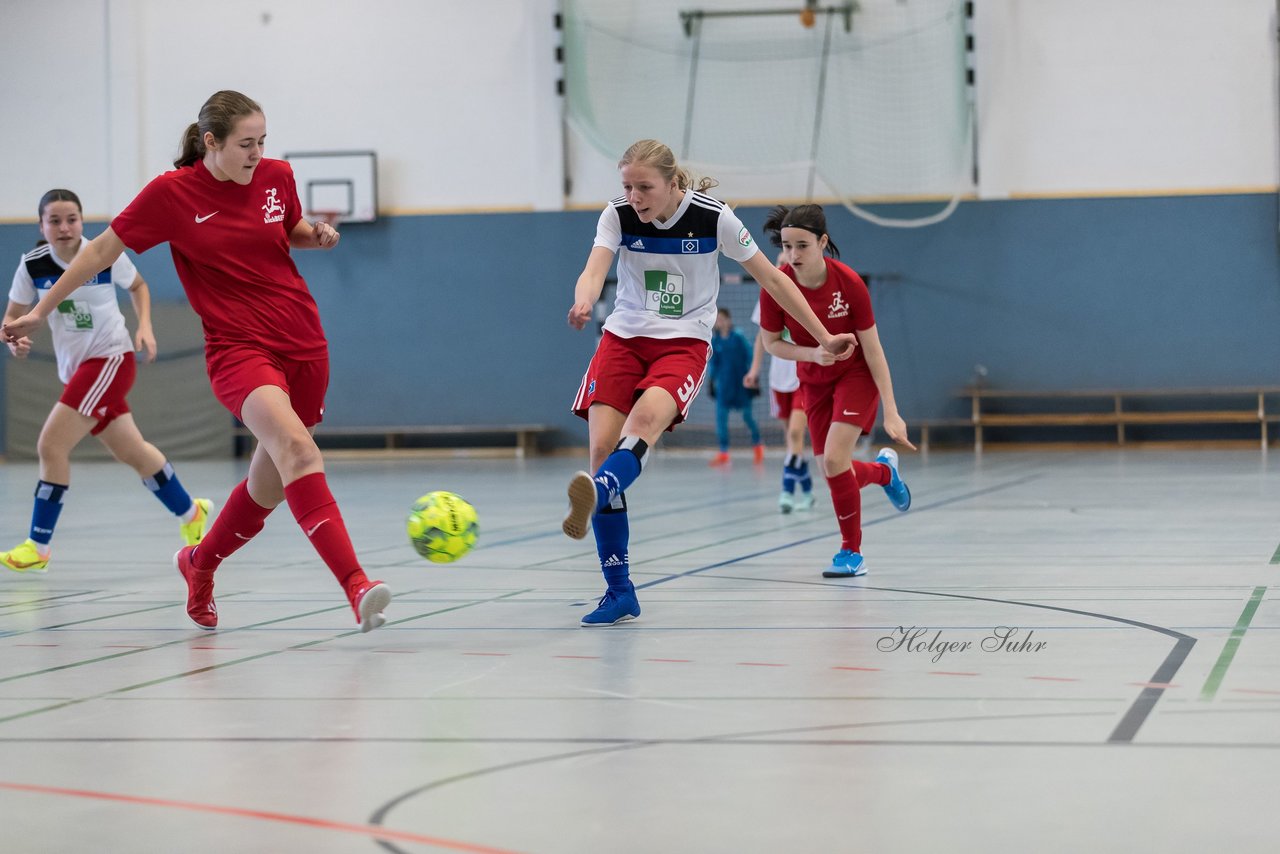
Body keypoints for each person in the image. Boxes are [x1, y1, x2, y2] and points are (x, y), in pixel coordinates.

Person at [2, 91, 390, 632]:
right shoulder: (172, 194)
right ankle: (357, 586)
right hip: (238, 350)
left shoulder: (277, 176)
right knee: (299, 451)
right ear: (211, 142)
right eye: (245, 143)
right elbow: (98, 253)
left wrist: (314, 236)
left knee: (269, 484)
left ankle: (199, 562)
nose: (257, 153)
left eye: (262, 142)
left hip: (303, 342)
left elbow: (288, 229)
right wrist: (39, 312)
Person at [563, 139, 858, 625]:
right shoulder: (617, 215)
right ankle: (620, 591)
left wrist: (824, 336)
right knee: (600, 453)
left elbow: (776, 280)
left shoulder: (714, 218)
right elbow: (593, 270)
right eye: (627, 186)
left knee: (643, 424)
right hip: (622, 338)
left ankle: (600, 490)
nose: (634, 196)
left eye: (645, 187)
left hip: (682, 344)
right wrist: (583, 300)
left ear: (673, 183)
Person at [1, 189, 212, 573]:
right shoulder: (32, 265)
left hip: (109, 359)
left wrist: (144, 327)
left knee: (50, 444)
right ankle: (190, 511)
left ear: (82, 221)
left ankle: (38, 545)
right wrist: (15, 340)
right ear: (41, 225)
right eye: (55, 220)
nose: (64, 228)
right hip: (77, 369)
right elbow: (12, 319)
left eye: (72, 219)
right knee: (132, 451)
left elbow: (139, 287)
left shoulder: (101, 253)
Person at [757, 203, 915, 578]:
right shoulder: (777, 287)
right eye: (787, 245)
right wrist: (813, 352)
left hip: (855, 377)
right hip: (813, 379)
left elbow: (874, 351)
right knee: (834, 468)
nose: (793, 255)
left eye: (802, 246)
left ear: (822, 242)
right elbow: (771, 344)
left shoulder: (849, 284)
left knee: (832, 461)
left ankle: (851, 552)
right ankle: (883, 473)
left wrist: (892, 411)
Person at [746, 292, 815, 513]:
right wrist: (754, 370)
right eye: (786, 254)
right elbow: (761, 337)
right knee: (791, 440)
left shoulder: (807, 291)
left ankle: (787, 489)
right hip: (779, 379)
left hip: (802, 377)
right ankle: (807, 490)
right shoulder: (769, 293)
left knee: (796, 434)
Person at [707, 306, 763, 467]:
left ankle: (757, 444)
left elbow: (751, 355)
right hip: (724, 387)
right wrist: (711, 381)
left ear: (729, 320)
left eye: (722, 319)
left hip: (741, 384)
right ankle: (724, 452)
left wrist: (754, 376)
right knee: (721, 419)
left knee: (747, 416)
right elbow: (714, 364)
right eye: (717, 320)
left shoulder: (738, 336)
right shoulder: (715, 341)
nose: (720, 322)